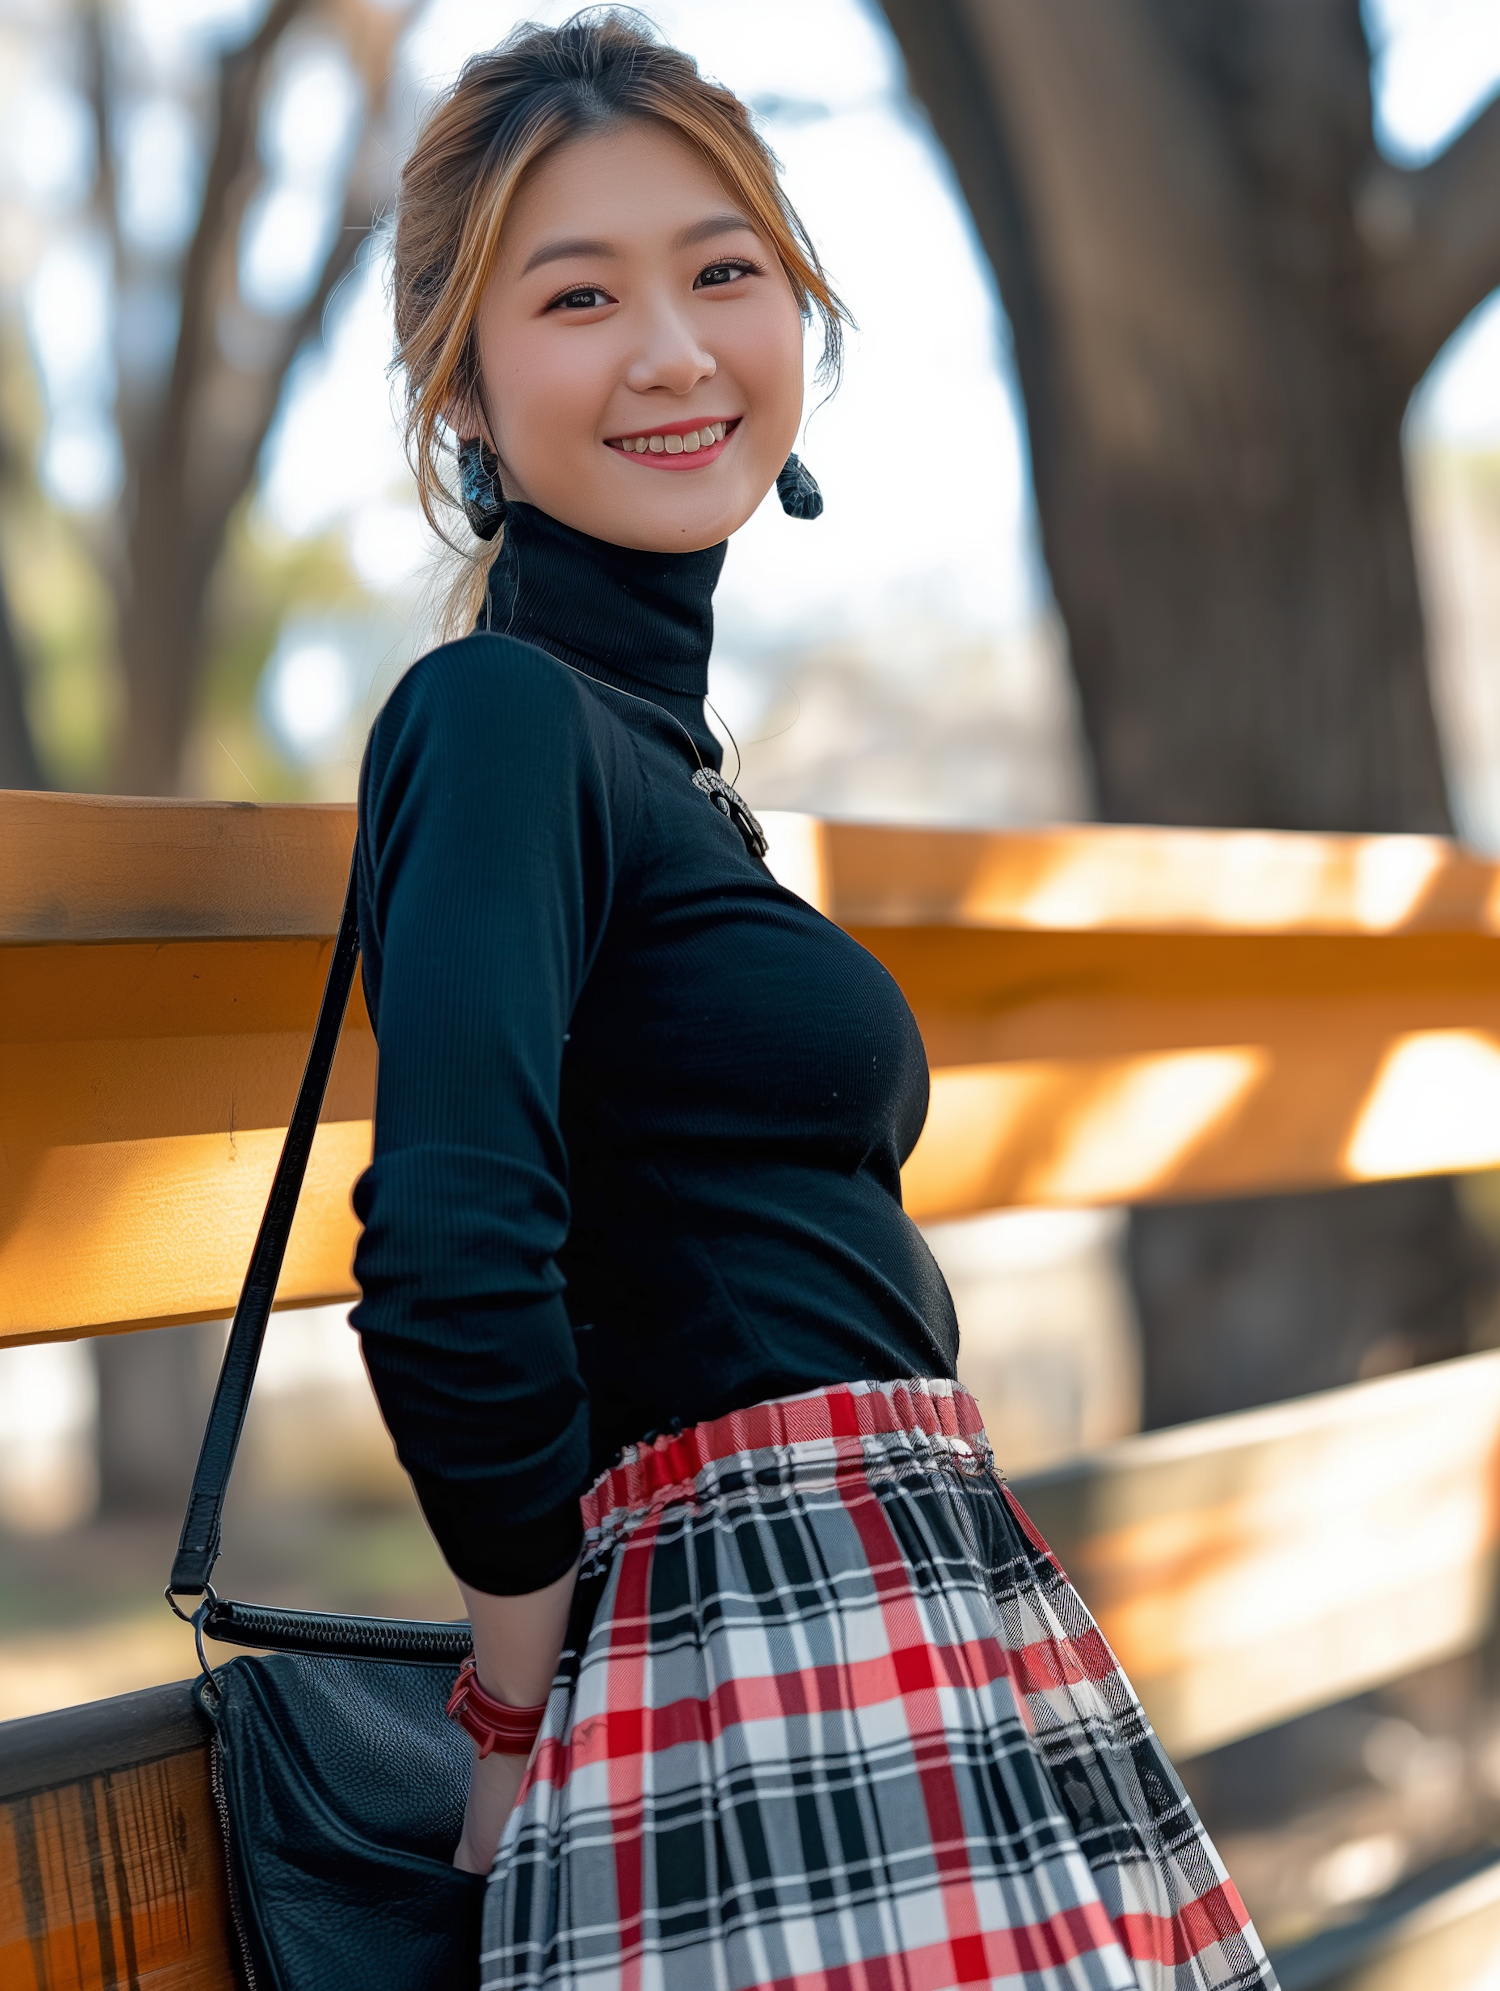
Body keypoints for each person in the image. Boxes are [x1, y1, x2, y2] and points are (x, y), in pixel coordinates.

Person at [352, 13, 1278, 1989]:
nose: (675, 351)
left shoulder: (662, 773)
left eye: (723, 270)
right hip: (756, 1662)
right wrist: (517, 1717)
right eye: (579, 292)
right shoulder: (500, 719)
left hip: (906, 1632)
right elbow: (444, 1249)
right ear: (465, 375)